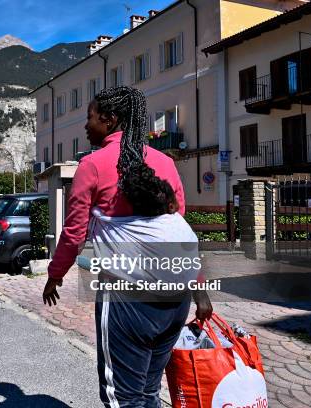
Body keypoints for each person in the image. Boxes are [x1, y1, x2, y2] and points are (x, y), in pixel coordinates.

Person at [42, 87, 212, 407]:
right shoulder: (164, 161)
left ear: (109, 119)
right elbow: (178, 235)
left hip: (126, 298)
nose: (86, 126)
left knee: (122, 396)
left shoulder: (92, 165)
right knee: (149, 390)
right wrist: (199, 291)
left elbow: (75, 231)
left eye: (89, 118)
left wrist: (55, 274)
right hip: (175, 300)